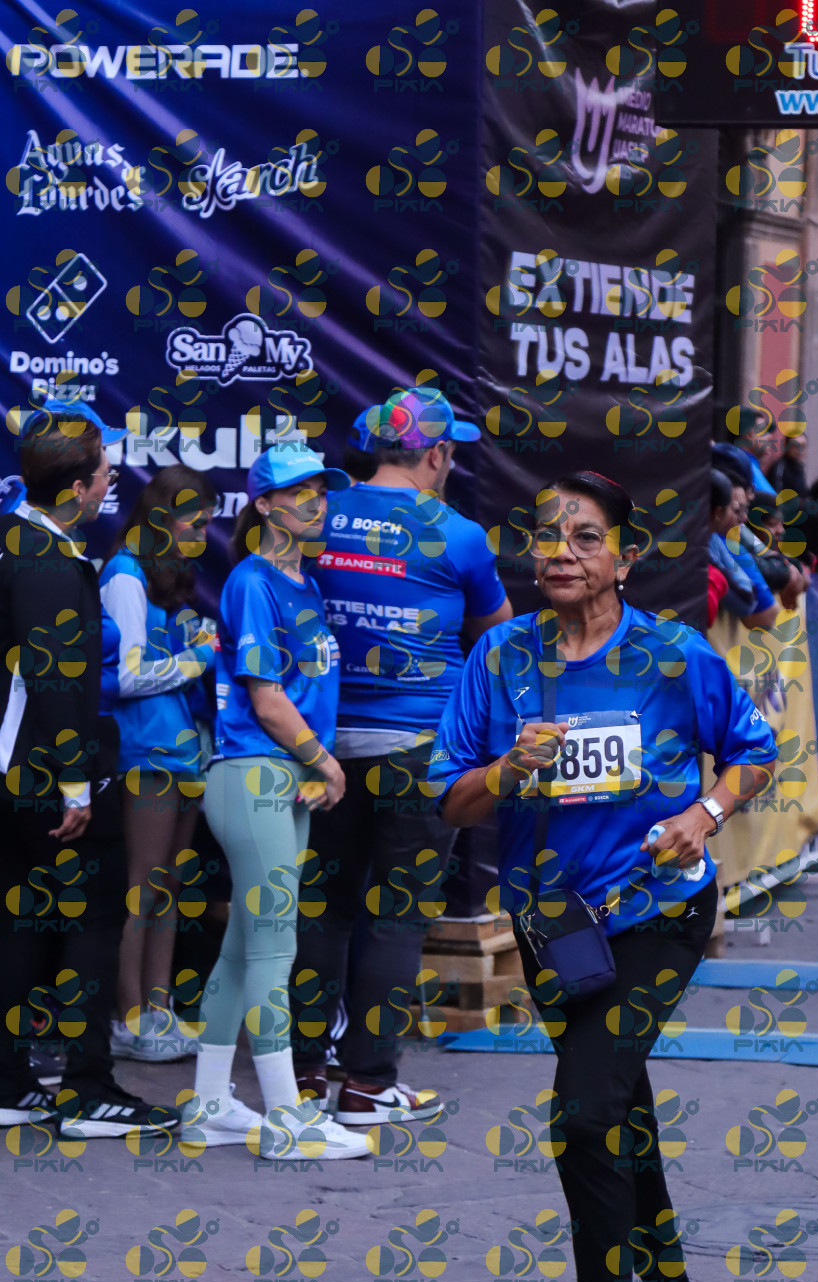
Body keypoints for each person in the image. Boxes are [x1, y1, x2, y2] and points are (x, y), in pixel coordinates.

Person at [431, 469, 778, 1282]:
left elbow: (754, 750)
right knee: (617, 1106)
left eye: (586, 537)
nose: (562, 553)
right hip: (554, 926)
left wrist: (704, 815)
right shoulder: (501, 657)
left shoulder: (672, 655)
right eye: (549, 535)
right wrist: (507, 768)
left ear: (625, 558)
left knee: (584, 1115)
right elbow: (451, 798)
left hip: (659, 915)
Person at [289, 387, 512, 1123]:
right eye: (452, 454)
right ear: (438, 454)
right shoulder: (460, 535)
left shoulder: (319, 514)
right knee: (396, 917)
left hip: (319, 747)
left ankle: (301, 1075)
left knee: (321, 911)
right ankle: (368, 1085)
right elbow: (497, 636)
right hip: (417, 750)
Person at [185, 444, 368, 1158]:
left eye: (322, 489)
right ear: (264, 505)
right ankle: (287, 1118)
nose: (317, 502)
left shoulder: (303, 583)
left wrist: (311, 764)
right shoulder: (253, 581)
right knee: (274, 949)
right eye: (300, 491)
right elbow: (265, 700)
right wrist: (325, 761)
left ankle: (208, 1104)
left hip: (279, 778)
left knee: (243, 949)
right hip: (255, 774)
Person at [0, 412, 179, 1137]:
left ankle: (10, 1084)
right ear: (77, 488)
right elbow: (54, 679)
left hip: (20, 766)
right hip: (45, 772)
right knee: (95, 921)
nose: (111, 481)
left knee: (21, 923)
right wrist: (76, 782)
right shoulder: (42, 558)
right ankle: (87, 1091)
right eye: (104, 471)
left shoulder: (20, 541)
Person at [99, 465, 218, 1063]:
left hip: (183, 751)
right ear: (163, 516)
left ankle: (158, 1011)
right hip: (143, 751)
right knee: (142, 884)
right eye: (195, 522)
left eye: (208, 524)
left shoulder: (163, 576)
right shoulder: (124, 575)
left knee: (168, 885)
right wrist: (196, 660)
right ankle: (126, 1022)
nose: (202, 534)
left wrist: (195, 651)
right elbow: (122, 677)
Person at [708, 470, 776, 629]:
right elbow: (751, 606)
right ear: (718, 512)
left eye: (746, 509)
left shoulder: (714, 539)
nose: (744, 518)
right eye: (736, 510)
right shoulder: (712, 542)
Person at [729, 409, 775, 497]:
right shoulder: (742, 466)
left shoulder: (745, 463)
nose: (770, 436)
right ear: (749, 435)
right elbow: (772, 501)